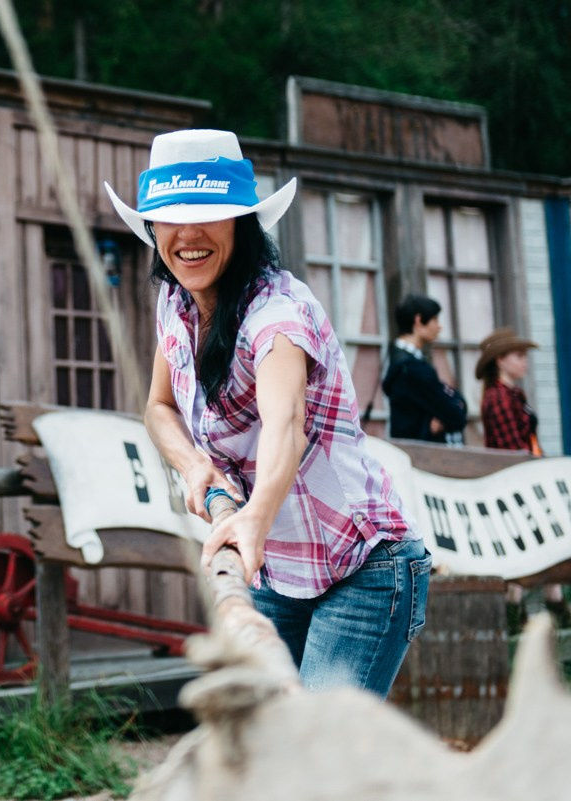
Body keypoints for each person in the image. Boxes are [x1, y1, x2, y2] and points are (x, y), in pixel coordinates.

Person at [104, 129, 431, 695]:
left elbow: (286, 425)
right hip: (278, 566)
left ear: (242, 222)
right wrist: (194, 467)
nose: (187, 234)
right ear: (152, 227)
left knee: (317, 764)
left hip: (362, 565)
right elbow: (158, 406)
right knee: (266, 746)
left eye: (209, 213)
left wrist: (252, 517)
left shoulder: (276, 315)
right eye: (170, 216)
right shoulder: (175, 304)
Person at [475, 328, 571, 634]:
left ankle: (550, 603)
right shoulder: (498, 398)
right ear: (500, 360)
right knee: (525, 542)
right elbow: (513, 449)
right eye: (519, 356)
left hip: (528, 477)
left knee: (547, 537)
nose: (525, 362)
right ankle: (516, 608)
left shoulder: (514, 394)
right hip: (514, 483)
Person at [382, 294, 468, 445]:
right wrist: (448, 409)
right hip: (421, 453)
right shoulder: (412, 368)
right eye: (435, 320)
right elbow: (456, 414)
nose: (439, 326)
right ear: (418, 321)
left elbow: (450, 406)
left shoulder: (399, 360)